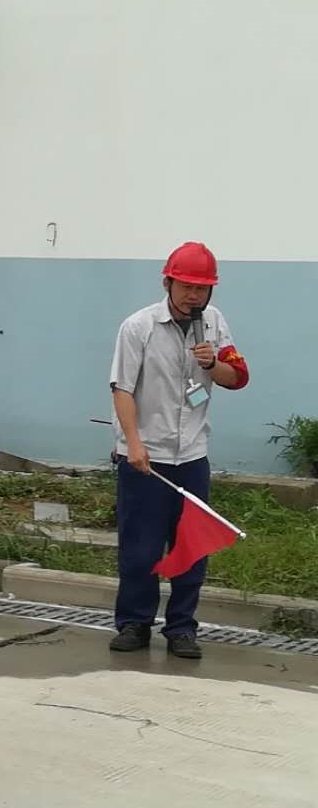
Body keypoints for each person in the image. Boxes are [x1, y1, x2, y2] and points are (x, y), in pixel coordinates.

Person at [108, 242, 249, 660]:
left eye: (202, 288)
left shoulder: (214, 323)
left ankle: (182, 628)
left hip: (192, 456)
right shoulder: (139, 327)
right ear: (167, 283)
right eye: (186, 286)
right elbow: (122, 389)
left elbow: (237, 377)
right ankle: (134, 623)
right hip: (145, 459)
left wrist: (210, 365)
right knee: (141, 549)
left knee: (190, 548)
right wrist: (133, 444)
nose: (194, 296)